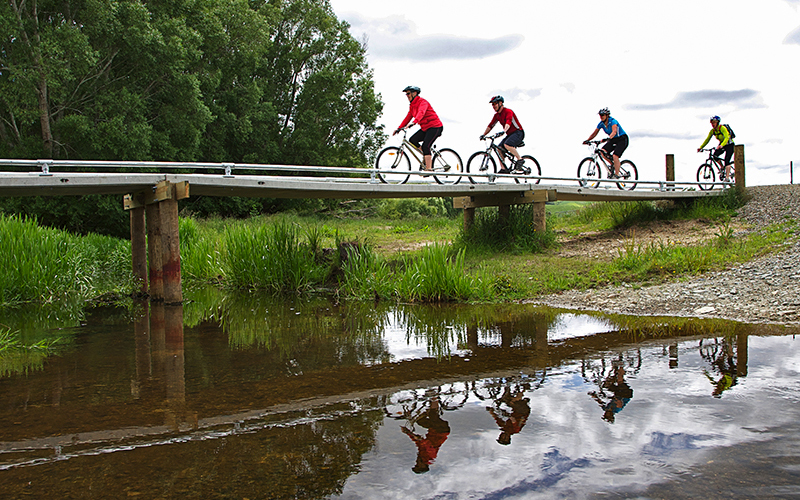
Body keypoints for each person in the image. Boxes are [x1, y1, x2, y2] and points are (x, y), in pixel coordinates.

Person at [394, 86, 443, 174]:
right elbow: (408, 117)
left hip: (435, 127)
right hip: (425, 128)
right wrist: (399, 128)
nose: (407, 96)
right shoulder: (412, 106)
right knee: (413, 140)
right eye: (406, 94)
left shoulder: (422, 102)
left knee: (426, 145)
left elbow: (421, 112)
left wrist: (414, 122)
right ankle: (426, 155)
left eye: (408, 93)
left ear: (415, 93)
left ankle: (429, 169)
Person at [480, 95, 525, 174]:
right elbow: (491, 125)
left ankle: (520, 159)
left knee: (507, 144)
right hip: (510, 134)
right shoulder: (497, 115)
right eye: (492, 104)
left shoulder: (508, 111)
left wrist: (503, 131)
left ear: (500, 103)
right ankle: (503, 168)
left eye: (495, 104)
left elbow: (508, 122)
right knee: (499, 148)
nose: (493, 106)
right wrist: (483, 134)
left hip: (518, 132)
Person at [583, 108, 629, 178]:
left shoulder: (613, 121)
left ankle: (617, 174)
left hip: (622, 139)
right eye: (600, 115)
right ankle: (613, 165)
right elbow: (594, 133)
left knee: (615, 156)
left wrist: (608, 138)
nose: (601, 117)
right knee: (602, 152)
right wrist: (587, 140)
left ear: (607, 115)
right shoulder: (601, 124)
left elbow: (614, 131)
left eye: (603, 115)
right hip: (613, 139)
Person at [698, 115, 734, 181]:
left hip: (729, 144)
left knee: (727, 160)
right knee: (715, 156)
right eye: (711, 123)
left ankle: (727, 177)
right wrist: (701, 147)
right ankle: (722, 167)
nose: (712, 124)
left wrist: (722, 145)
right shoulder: (712, 131)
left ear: (717, 122)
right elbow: (707, 139)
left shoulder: (722, 128)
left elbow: (726, 137)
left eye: (714, 123)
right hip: (722, 144)